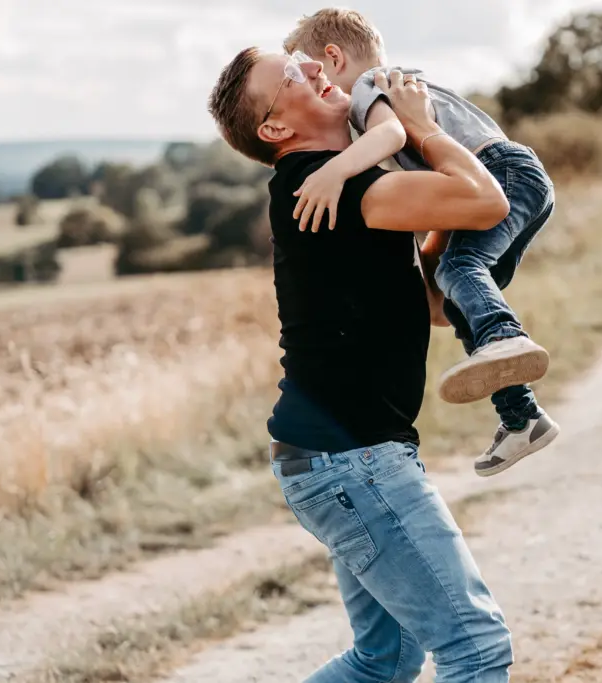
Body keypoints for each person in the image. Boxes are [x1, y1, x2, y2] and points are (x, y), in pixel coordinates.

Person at [207, 48, 514, 682]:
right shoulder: (334, 188)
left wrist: (450, 245)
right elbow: (488, 201)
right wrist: (422, 127)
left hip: (335, 460)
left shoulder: (334, 186)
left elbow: (430, 307)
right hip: (353, 462)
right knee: (476, 649)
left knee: (384, 662)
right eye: (292, 74)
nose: (314, 68)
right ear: (274, 127)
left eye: (301, 59)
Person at [283, 8, 561, 477]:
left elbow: (391, 135)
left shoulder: (370, 85)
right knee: (457, 297)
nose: (316, 85)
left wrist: (336, 170)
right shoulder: (395, 84)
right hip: (519, 176)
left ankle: (504, 336)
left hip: (501, 171)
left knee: (459, 269)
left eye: (313, 73)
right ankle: (522, 417)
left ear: (334, 57)